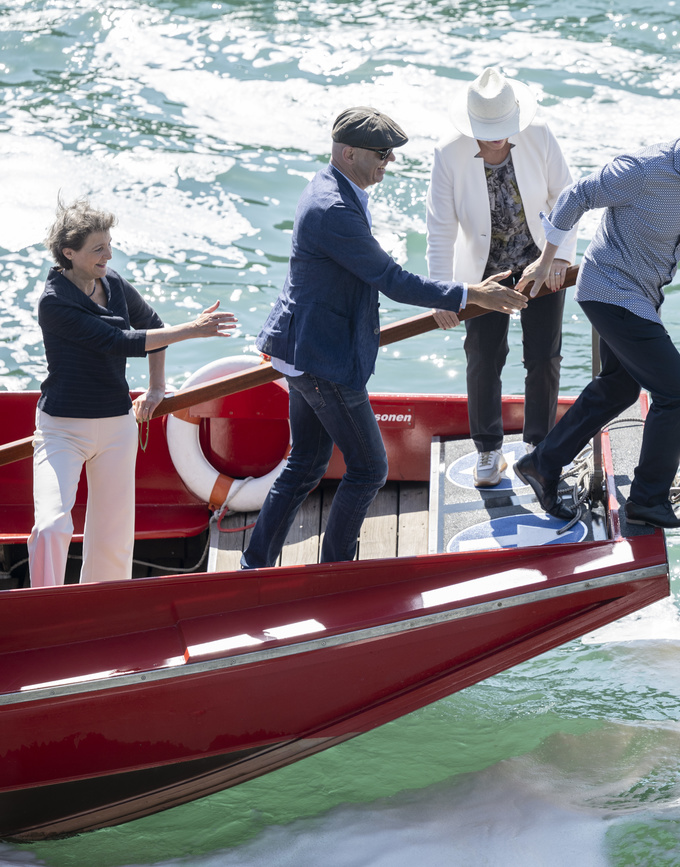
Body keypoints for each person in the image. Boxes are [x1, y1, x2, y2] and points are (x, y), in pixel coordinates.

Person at [241, 107, 526, 569]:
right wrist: (473, 294)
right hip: (322, 358)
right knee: (369, 468)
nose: (388, 162)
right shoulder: (333, 209)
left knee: (307, 464)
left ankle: (254, 566)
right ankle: (336, 570)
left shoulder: (333, 188)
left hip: (301, 348)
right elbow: (391, 279)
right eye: (381, 154)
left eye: (391, 155)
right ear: (347, 151)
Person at [511, 95, 680, 529]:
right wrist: (549, 257)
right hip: (610, 290)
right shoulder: (642, 170)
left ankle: (542, 464)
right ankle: (647, 500)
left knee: (618, 389)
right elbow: (577, 195)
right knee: (677, 392)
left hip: (643, 296)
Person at [29, 198, 238, 587]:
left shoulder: (113, 284)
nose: (109, 254)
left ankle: (99, 613)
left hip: (116, 425)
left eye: (109, 244)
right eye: (98, 249)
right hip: (62, 429)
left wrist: (157, 388)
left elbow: (151, 326)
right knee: (52, 525)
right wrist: (193, 328)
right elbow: (121, 340)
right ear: (68, 253)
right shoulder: (54, 303)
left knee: (112, 537)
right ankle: (43, 611)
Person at [426, 68, 576, 487]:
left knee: (544, 356)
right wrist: (443, 292)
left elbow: (565, 195)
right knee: (483, 356)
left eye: (503, 128)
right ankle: (488, 450)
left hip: (540, 262)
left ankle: (540, 447)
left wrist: (560, 255)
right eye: (487, 129)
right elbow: (440, 226)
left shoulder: (540, 135)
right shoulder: (447, 152)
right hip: (482, 274)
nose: (497, 137)